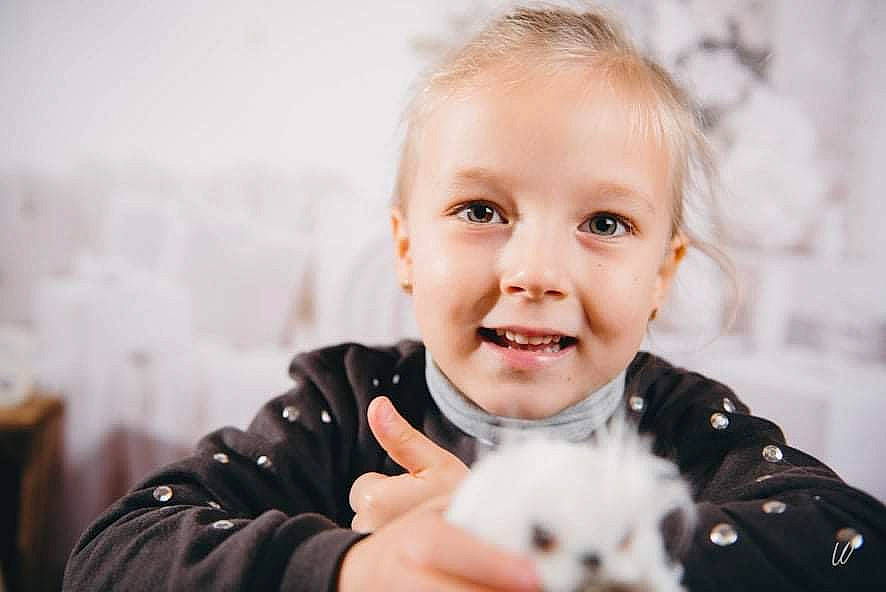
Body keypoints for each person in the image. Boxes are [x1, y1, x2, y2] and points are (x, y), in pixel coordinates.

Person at [63, 5, 885, 591]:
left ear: (661, 276)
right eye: (482, 211)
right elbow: (112, 553)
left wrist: (541, 537)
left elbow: (854, 547)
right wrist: (350, 568)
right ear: (408, 249)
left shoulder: (684, 425)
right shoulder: (346, 405)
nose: (537, 272)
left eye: (603, 221)